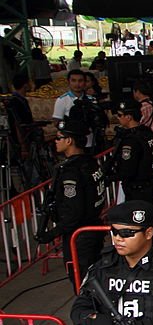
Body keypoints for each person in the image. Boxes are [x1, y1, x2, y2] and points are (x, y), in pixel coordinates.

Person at [35, 119, 105, 304]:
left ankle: (93, 324)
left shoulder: (71, 172)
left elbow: (74, 213)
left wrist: (51, 234)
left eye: (59, 138)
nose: (55, 142)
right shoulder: (90, 162)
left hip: (79, 236)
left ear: (70, 141)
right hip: (93, 229)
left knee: (83, 283)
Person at [106, 100, 153, 202]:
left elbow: (128, 170)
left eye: (120, 115)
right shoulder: (146, 132)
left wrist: (110, 178)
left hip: (136, 188)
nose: (117, 117)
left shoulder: (131, 141)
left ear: (129, 117)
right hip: (147, 183)